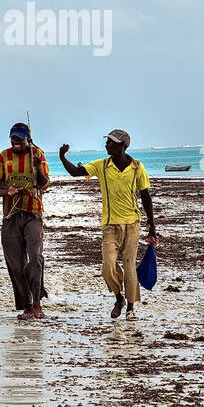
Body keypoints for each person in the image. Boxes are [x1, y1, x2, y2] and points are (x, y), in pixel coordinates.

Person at [58, 129, 157, 320]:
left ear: (123, 146)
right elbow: (77, 172)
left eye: (111, 142)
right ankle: (118, 298)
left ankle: (130, 309)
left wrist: (152, 224)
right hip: (110, 226)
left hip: (132, 225)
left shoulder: (137, 167)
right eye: (107, 142)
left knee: (129, 268)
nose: (107, 145)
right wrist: (62, 158)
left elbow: (145, 195)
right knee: (108, 266)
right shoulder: (101, 166)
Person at [0, 122, 51, 320]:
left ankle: (37, 303)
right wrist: (9, 190)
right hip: (11, 215)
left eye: (19, 138)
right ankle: (27, 306)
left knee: (35, 258)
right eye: (12, 138)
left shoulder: (37, 154)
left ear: (27, 139)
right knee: (16, 264)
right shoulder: (3, 156)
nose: (15, 142)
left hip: (33, 213)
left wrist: (37, 167)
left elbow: (43, 183)